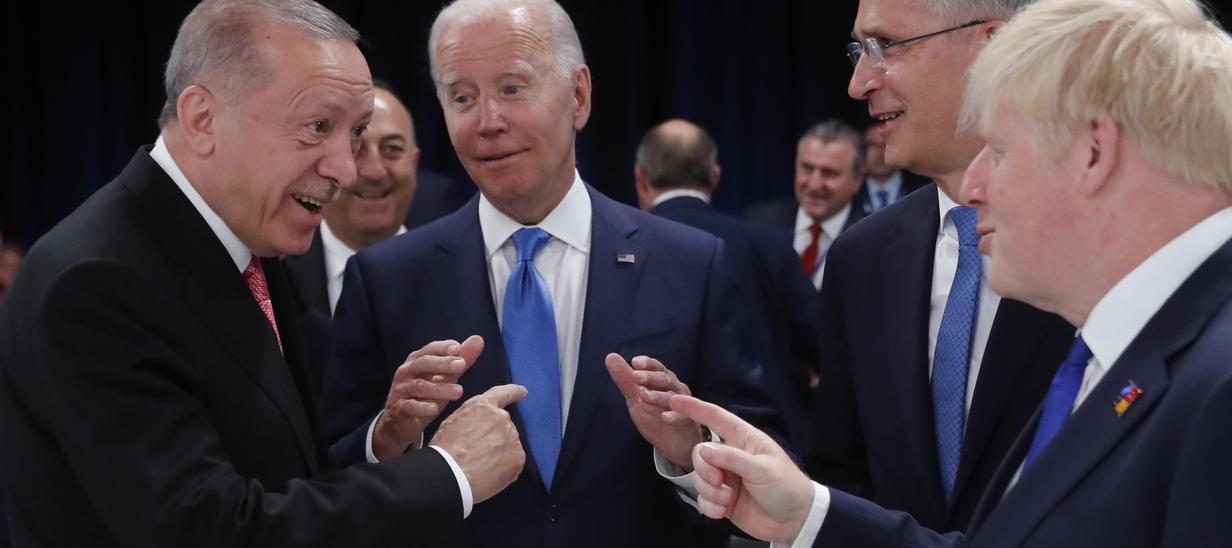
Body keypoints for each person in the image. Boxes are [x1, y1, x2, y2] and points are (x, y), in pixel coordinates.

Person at [675, 0, 1232, 545]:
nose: (977, 184)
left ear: (1095, 152)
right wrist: (808, 514)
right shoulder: (1130, 349)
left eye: (1002, 149)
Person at [0, 1, 527, 546]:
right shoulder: (94, 284)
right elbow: (210, 529)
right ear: (202, 119)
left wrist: (384, 442)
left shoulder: (247, 241)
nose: (347, 169)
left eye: (355, 131)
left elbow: (277, 476)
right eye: (317, 126)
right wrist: (449, 472)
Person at [320, 1, 786, 547]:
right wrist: (389, 437)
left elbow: (770, 460)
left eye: (513, 89)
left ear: (579, 96)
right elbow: (329, 471)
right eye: (462, 97)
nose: (488, 121)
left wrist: (690, 448)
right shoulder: (386, 279)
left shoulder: (691, 264)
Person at [805, 0, 1075, 533]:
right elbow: (843, 477)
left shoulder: (1093, 243)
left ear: (992, 47)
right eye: (859, 50)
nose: (859, 83)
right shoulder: (861, 258)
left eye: (887, 46)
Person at [635, 118, 820, 454]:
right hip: (761, 447)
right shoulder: (769, 245)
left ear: (641, 179)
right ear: (715, 177)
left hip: (649, 449)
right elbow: (820, 340)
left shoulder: (621, 250)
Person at [283, 79, 418, 390]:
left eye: (392, 150)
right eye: (357, 149)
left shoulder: (463, 266)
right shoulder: (274, 275)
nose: (373, 171)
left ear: (415, 163)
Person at [744, 120, 866, 289]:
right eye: (806, 168)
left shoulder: (868, 238)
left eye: (829, 173)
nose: (814, 184)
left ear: (857, 180)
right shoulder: (758, 222)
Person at [852, 128, 928, 215]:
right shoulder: (849, 191)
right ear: (860, 151)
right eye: (872, 145)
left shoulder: (923, 188)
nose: (881, 153)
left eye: (886, 143)